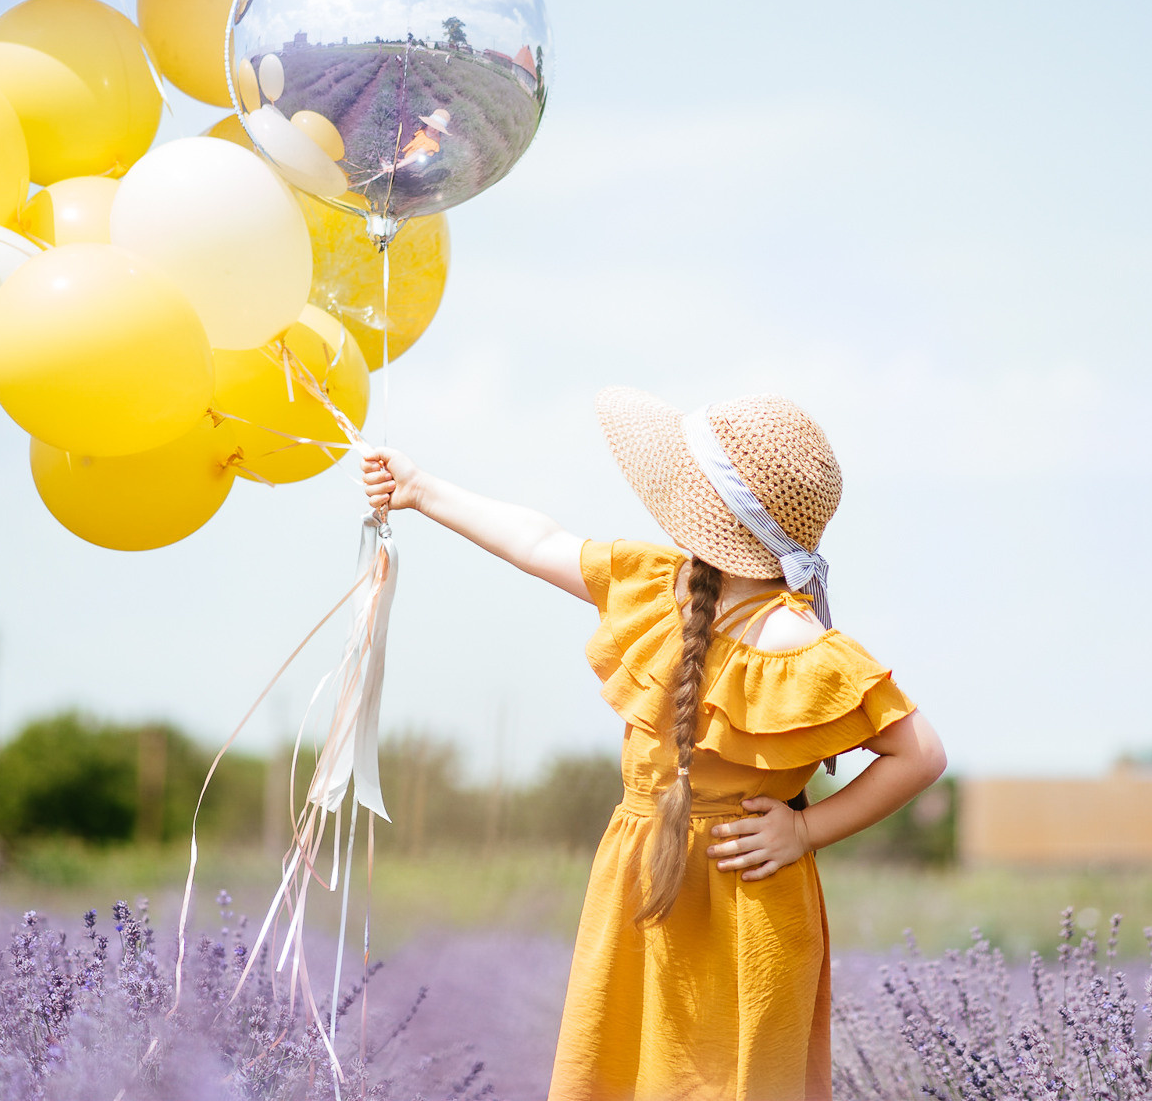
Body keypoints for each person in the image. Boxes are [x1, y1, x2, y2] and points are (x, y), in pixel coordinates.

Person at [362, 388, 946, 1101]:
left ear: (716, 518)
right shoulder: (658, 583)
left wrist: (804, 830)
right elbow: (535, 541)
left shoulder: (799, 640)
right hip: (641, 877)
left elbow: (921, 754)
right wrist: (420, 490)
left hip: (744, 901)